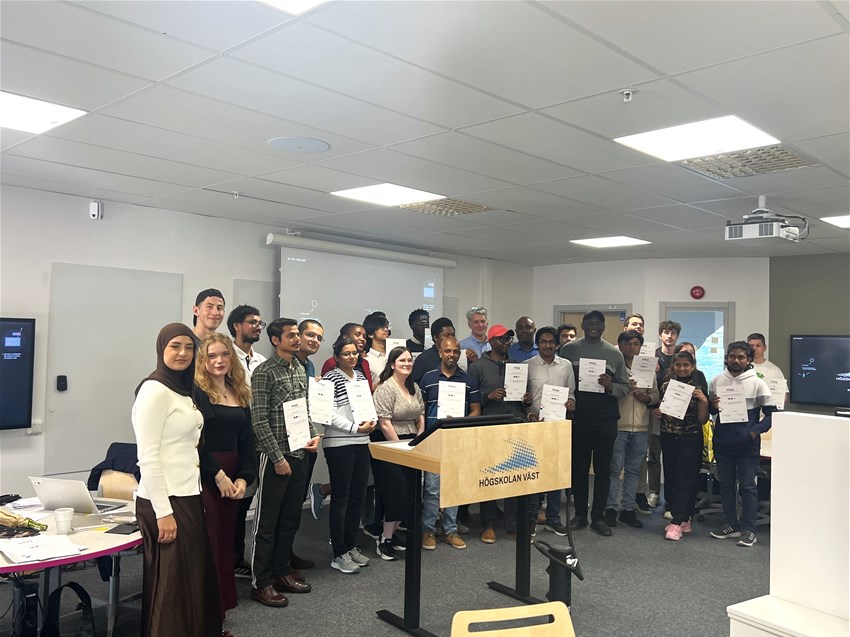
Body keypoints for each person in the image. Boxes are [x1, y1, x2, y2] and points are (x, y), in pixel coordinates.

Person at [132, 323, 222, 637]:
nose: (182, 353)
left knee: (191, 578)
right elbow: (148, 457)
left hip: (187, 493)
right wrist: (163, 512)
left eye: (188, 347)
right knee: (171, 585)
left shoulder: (182, 390)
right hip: (165, 500)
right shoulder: (153, 390)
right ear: (161, 350)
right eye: (175, 347)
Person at [250, 319, 321, 608]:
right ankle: (261, 582)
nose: (296, 339)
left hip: (300, 453)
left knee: (290, 519)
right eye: (290, 336)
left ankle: (281, 571)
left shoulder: (299, 369)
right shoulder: (263, 372)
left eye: (297, 335)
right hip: (275, 457)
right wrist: (277, 458)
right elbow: (259, 420)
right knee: (267, 523)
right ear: (275, 340)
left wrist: (314, 435)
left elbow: (304, 408)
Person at [195, 334, 257, 623]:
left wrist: (244, 478)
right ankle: (205, 611)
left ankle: (220, 609)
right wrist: (218, 475)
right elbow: (196, 442)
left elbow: (247, 439)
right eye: (211, 356)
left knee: (226, 541)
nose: (218, 360)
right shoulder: (197, 392)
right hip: (206, 471)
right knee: (209, 541)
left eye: (224, 355)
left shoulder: (239, 391)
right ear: (203, 360)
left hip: (233, 473)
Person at [559, 310, 630, 537]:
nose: (593, 327)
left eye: (597, 324)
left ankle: (597, 517)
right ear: (582, 325)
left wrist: (611, 385)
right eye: (589, 323)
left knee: (603, 471)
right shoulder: (569, 350)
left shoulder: (614, 354)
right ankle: (580, 514)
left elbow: (625, 388)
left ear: (602, 327)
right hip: (579, 419)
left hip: (605, 420)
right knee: (578, 469)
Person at [469, 324, 534, 543]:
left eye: (508, 339)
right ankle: (488, 524)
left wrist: (527, 400)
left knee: (515, 477)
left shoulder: (517, 366)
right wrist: (489, 396)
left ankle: (512, 525)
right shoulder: (478, 367)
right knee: (490, 477)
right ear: (491, 341)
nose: (506, 343)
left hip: (516, 424)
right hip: (490, 426)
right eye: (502, 339)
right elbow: (472, 400)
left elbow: (525, 401)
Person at [709, 341, 775, 548]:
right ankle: (731, 523)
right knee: (726, 486)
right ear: (726, 357)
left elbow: (772, 416)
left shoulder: (758, 383)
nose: (736, 361)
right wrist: (714, 405)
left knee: (748, 487)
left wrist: (755, 431)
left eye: (741, 357)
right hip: (723, 442)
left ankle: (749, 529)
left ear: (748, 360)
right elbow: (712, 412)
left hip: (747, 445)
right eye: (732, 356)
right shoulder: (717, 380)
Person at [419, 337, 481, 550]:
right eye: (447, 351)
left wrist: (462, 422)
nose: (452, 355)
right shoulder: (427, 379)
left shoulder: (468, 379)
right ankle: (428, 529)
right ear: (439, 352)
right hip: (433, 440)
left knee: (453, 487)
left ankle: (450, 530)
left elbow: (475, 410)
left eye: (456, 351)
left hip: (457, 441)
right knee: (432, 488)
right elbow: (421, 410)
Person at [321, 337, 377, 574]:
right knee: (341, 499)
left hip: (362, 441)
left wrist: (370, 423)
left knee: (358, 497)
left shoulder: (361, 378)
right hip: (339, 443)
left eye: (354, 353)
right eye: (346, 353)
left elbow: (366, 407)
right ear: (336, 357)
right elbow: (329, 414)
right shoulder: (330, 379)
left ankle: (352, 545)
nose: (352, 357)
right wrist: (355, 428)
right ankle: (339, 553)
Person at [371, 347, 425, 560]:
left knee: (409, 492)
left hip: (411, 443)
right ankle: (384, 540)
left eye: (410, 360)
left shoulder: (414, 386)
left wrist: (419, 438)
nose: (407, 363)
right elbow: (384, 423)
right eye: (402, 360)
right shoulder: (386, 388)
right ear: (392, 364)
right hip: (389, 445)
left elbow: (420, 414)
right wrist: (401, 450)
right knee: (396, 492)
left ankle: (392, 535)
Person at [604, 330, 658, 530]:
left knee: (634, 471)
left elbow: (655, 395)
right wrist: (624, 387)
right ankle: (610, 508)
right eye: (627, 344)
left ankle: (627, 510)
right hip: (619, 425)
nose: (631, 347)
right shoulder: (614, 368)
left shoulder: (647, 369)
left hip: (641, 427)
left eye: (635, 344)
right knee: (614, 469)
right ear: (620, 345)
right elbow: (607, 393)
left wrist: (647, 398)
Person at [525, 326, 575, 536]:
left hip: (557, 427)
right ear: (538, 344)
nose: (547, 345)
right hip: (534, 426)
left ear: (557, 344)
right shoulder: (526, 366)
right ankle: (533, 516)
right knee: (534, 473)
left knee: (555, 474)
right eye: (543, 342)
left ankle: (554, 518)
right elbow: (522, 397)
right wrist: (528, 410)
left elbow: (572, 393)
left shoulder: (566, 366)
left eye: (551, 342)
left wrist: (572, 402)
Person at [654, 351, 708, 541]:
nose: (682, 368)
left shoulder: (699, 387)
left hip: (690, 438)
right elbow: (662, 408)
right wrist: (659, 412)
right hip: (669, 436)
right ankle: (684, 518)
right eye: (678, 365)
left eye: (686, 365)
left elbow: (702, 420)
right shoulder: (666, 386)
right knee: (672, 477)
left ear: (692, 367)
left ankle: (676, 523)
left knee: (686, 478)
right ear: (673, 367)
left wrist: (703, 401)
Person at [646, 320, 682, 509]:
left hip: (676, 415)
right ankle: (653, 492)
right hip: (655, 412)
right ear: (660, 335)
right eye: (666, 332)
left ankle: (672, 495)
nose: (670, 336)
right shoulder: (651, 357)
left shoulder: (681, 358)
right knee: (653, 455)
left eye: (673, 333)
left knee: (673, 458)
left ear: (677, 336)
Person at [321, 323, 373, 390]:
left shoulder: (365, 363)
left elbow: (369, 390)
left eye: (364, 336)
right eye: (357, 335)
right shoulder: (331, 363)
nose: (362, 339)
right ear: (345, 337)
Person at [747, 332, 787, 409]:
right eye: (751, 346)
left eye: (758, 346)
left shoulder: (775, 370)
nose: (754, 349)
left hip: (766, 416)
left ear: (764, 348)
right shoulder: (742, 368)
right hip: (748, 415)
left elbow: (783, 396)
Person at [411, 317, 455, 385]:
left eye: (453, 335)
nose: (451, 338)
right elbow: (415, 386)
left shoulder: (457, 356)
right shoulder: (423, 360)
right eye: (447, 335)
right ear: (435, 337)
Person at [227, 304, 267, 378]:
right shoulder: (227, 358)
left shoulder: (262, 361)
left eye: (260, 323)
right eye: (253, 322)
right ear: (236, 326)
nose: (259, 327)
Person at [363, 312, 391, 385]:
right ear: (370, 334)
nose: (386, 330)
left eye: (387, 327)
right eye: (381, 327)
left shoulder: (394, 354)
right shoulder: (366, 359)